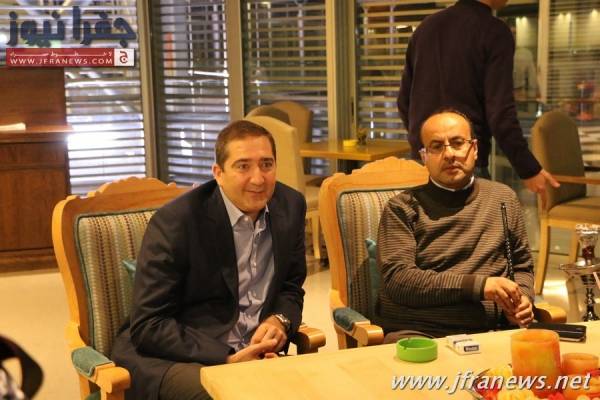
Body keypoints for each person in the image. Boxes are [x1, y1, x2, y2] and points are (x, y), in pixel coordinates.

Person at [111, 120, 307, 400]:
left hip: (256, 353)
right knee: (231, 394)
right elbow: (149, 324)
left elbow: (290, 287)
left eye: (267, 164)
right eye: (243, 166)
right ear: (218, 173)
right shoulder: (178, 221)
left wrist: (279, 320)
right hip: (180, 357)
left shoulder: (290, 206)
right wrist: (227, 358)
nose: (258, 179)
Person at [376, 110, 534, 338]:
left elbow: (521, 266)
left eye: (458, 143)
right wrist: (479, 286)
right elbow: (399, 281)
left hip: (491, 332)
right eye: (436, 146)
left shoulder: (503, 198)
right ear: (424, 156)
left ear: (474, 148)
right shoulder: (402, 208)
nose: (449, 154)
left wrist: (522, 300)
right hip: (422, 331)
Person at [397, 0, 559, 206]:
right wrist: (528, 169)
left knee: (425, 226)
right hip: (464, 162)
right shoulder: (494, 31)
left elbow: (404, 102)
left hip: (424, 162)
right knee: (479, 226)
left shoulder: (426, 28)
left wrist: (427, 145)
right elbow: (500, 114)